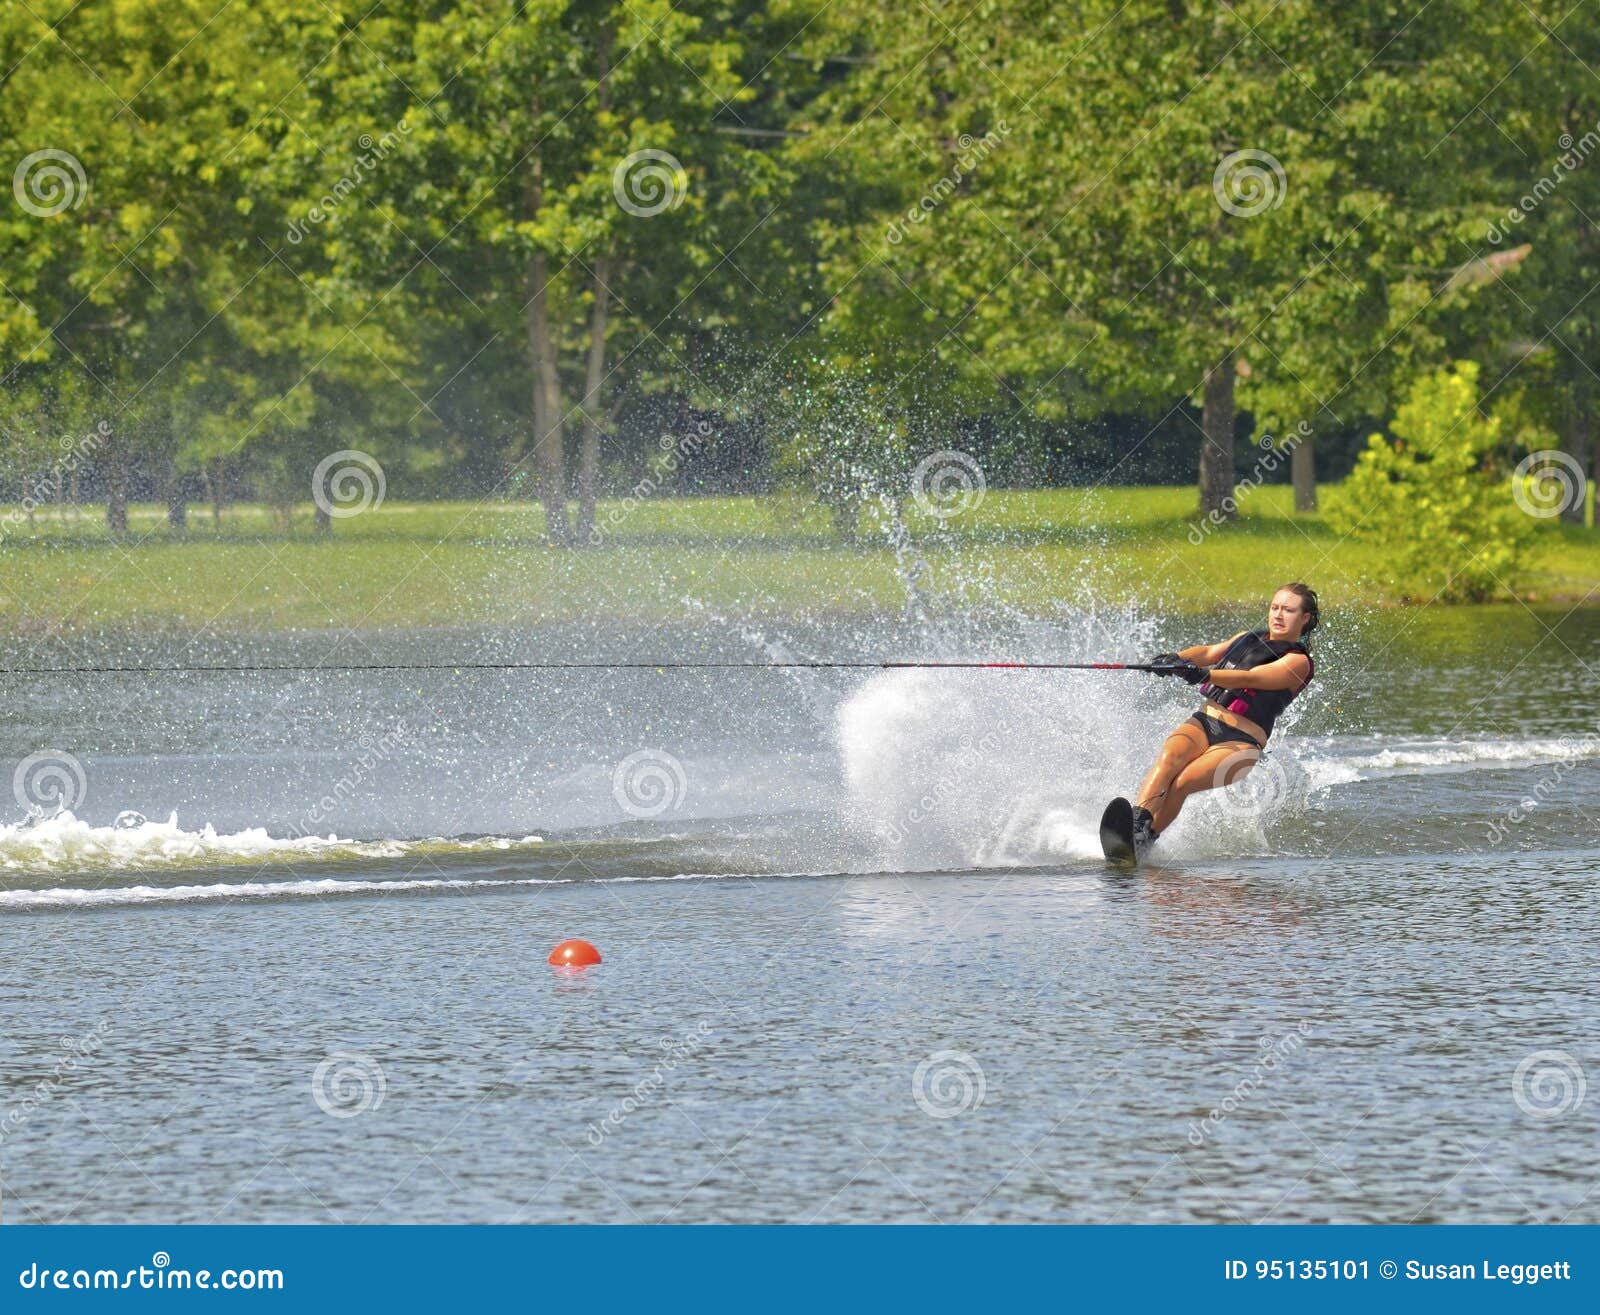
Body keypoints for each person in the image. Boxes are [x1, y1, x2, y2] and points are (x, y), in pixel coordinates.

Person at [1123, 582, 1319, 855]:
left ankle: (1145, 841)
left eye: (1288, 610)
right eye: (1274, 607)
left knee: (1183, 782)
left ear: (1305, 617)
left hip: (1242, 743)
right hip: (1206, 722)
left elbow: (1252, 678)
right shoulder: (1247, 637)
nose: (1278, 614)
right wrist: (1175, 659)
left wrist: (1204, 674)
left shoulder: (1298, 662)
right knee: (1169, 759)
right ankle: (1134, 826)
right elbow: (1207, 653)